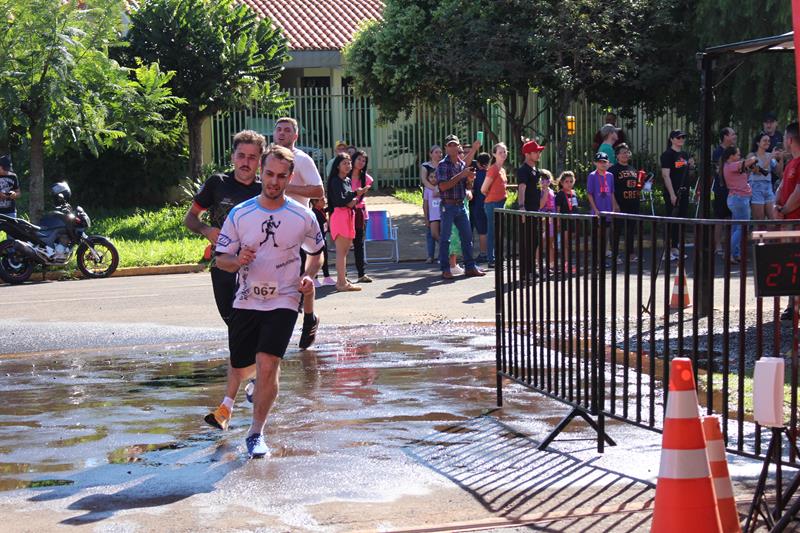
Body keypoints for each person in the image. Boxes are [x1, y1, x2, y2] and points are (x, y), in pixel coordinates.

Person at [215, 145, 324, 457]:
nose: (274, 181)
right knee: (242, 364)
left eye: (281, 176)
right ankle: (245, 395)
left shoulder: (303, 216)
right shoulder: (241, 213)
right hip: (246, 299)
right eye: (269, 174)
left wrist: (309, 276)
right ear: (261, 173)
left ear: (290, 178)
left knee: (268, 361)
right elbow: (221, 259)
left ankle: (255, 433)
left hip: (285, 298)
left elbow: (316, 254)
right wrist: (237, 259)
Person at [271, 117, 323, 346]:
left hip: (300, 228)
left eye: (287, 130)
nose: (282, 133)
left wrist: (285, 186)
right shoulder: (268, 159)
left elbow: (318, 190)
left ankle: (309, 317)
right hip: (272, 228)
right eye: (279, 130)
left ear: (295, 136)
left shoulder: (302, 159)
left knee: (302, 281)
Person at [434, 134, 485, 280]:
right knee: (445, 239)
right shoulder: (443, 165)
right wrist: (462, 175)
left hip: (460, 205)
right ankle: (445, 268)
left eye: (454, 144)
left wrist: (469, 180)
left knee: (467, 237)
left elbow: (467, 185)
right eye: (449, 145)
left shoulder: (461, 164)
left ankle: (470, 267)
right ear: (446, 148)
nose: (452, 147)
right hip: (448, 206)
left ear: (459, 147)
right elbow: (443, 186)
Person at [327, 153, 366, 291]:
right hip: (340, 216)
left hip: (349, 215)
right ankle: (341, 282)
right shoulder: (335, 181)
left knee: (345, 251)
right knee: (341, 251)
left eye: (349, 163)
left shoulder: (347, 180)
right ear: (337, 165)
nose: (348, 165)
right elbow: (341, 201)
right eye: (344, 163)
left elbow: (349, 201)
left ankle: (342, 281)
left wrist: (353, 199)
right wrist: (356, 195)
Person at [773, 122, 800, 322]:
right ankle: (792, 305)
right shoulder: (791, 163)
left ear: (790, 140)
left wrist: (783, 209)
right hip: (788, 221)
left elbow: (798, 192)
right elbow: (782, 186)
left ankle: (795, 305)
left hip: (795, 222)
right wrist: (776, 206)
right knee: (791, 264)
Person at [660, 129, 695, 260]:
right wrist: (672, 194)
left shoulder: (685, 154)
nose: (681, 139)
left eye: (683, 137)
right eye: (678, 137)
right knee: (670, 218)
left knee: (680, 220)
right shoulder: (667, 155)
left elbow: (689, 174)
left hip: (684, 191)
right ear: (672, 139)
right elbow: (665, 175)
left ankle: (675, 247)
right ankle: (666, 249)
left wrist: (691, 166)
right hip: (673, 191)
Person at [720, 146, 756, 263]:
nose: (739, 157)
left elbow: (745, 173)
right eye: (738, 154)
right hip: (739, 200)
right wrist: (753, 157)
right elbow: (750, 161)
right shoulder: (731, 166)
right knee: (742, 228)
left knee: (737, 228)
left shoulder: (730, 166)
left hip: (737, 199)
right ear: (731, 156)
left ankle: (735, 254)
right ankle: (728, 253)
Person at [517, 139, 547, 280]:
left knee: (534, 241)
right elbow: (521, 188)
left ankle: (531, 269)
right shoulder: (523, 170)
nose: (539, 153)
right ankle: (525, 272)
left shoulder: (536, 170)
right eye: (536, 151)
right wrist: (522, 207)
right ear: (528, 154)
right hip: (527, 210)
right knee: (527, 241)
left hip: (535, 210)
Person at [609, 143, 641, 260]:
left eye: (627, 152)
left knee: (631, 229)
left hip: (633, 203)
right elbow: (610, 189)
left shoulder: (633, 169)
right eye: (623, 152)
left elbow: (637, 185)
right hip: (619, 204)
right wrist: (614, 203)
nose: (625, 154)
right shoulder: (613, 170)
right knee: (617, 230)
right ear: (617, 155)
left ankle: (630, 254)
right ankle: (615, 254)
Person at [480, 142, 508, 268]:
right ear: (494, 154)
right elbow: (483, 189)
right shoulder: (493, 169)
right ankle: (491, 259)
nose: (503, 154)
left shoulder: (502, 170)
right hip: (492, 203)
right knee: (492, 231)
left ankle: (498, 256)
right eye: (500, 152)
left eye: (505, 151)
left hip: (501, 203)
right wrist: (492, 197)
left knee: (500, 231)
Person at [587, 152, 619, 261]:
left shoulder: (610, 176)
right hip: (597, 211)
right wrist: (595, 209)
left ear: (608, 163)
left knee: (606, 235)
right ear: (595, 163)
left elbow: (612, 192)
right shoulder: (592, 176)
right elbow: (590, 194)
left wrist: (614, 207)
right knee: (597, 236)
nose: (603, 164)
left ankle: (603, 258)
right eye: (600, 162)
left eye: (605, 162)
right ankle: (596, 259)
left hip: (608, 210)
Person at [349, 150, 374, 283]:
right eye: (359, 159)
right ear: (353, 160)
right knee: (346, 244)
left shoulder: (366, 179)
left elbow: (364, 192)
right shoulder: (345, 177)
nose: (361, 162)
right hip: (346, 212)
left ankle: (361, 273)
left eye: (363, 161)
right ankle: (344, 274)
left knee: (359, 243)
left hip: (360, 212)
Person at [748, 132, 783, 221]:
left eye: (769, 141)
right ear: (758, 143)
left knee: (773, 218)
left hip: (768, 187)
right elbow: (759, 172)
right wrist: (771, 156)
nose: (767, 142)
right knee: (759, 220)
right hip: (756, 187)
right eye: (764, 140)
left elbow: (779, 172)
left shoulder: (769, 156)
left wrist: (781, 158)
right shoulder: (752, 156)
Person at [712, 128, 736, 253]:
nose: (734, 136)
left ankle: (729, 245)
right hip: (721, 189)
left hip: (733, 188)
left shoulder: (733, 151)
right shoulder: (718, 152)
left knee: (731, 218)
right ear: (725, 136)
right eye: (732, 134)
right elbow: (718, 171)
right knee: (720, 218)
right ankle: (717, 246)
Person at [421, 145, 443, 263]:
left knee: (443, 232)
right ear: (430, 154)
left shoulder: (444, 165)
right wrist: (434, 189)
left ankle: (443, 254)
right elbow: (424, 180)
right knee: (431, 233)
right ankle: (431, 255)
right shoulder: (425, 166)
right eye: (436, 152)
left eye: (440, 152)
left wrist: (439, 189)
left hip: (441, 199)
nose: (439, 154)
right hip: (431, 192)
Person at [469, 152, 491, 263]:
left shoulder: (475, 175)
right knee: (487, 229)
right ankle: (489, 252)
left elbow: (472, 190)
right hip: (488, 204)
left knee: (481, 231)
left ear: (478, 163)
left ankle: (483, 254)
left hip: (477, 204)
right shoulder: (489, 174)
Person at [311, 197, 335, 287]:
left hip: (323, 238)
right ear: (314, 202)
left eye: (324, 198)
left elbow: (328, 209)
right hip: (316, 240)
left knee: (325, 258)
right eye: (322, 199)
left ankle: (326, 277)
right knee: (316, 260)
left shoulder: (321, 210)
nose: (325, 200)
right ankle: (314, 278)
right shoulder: (314, 213)